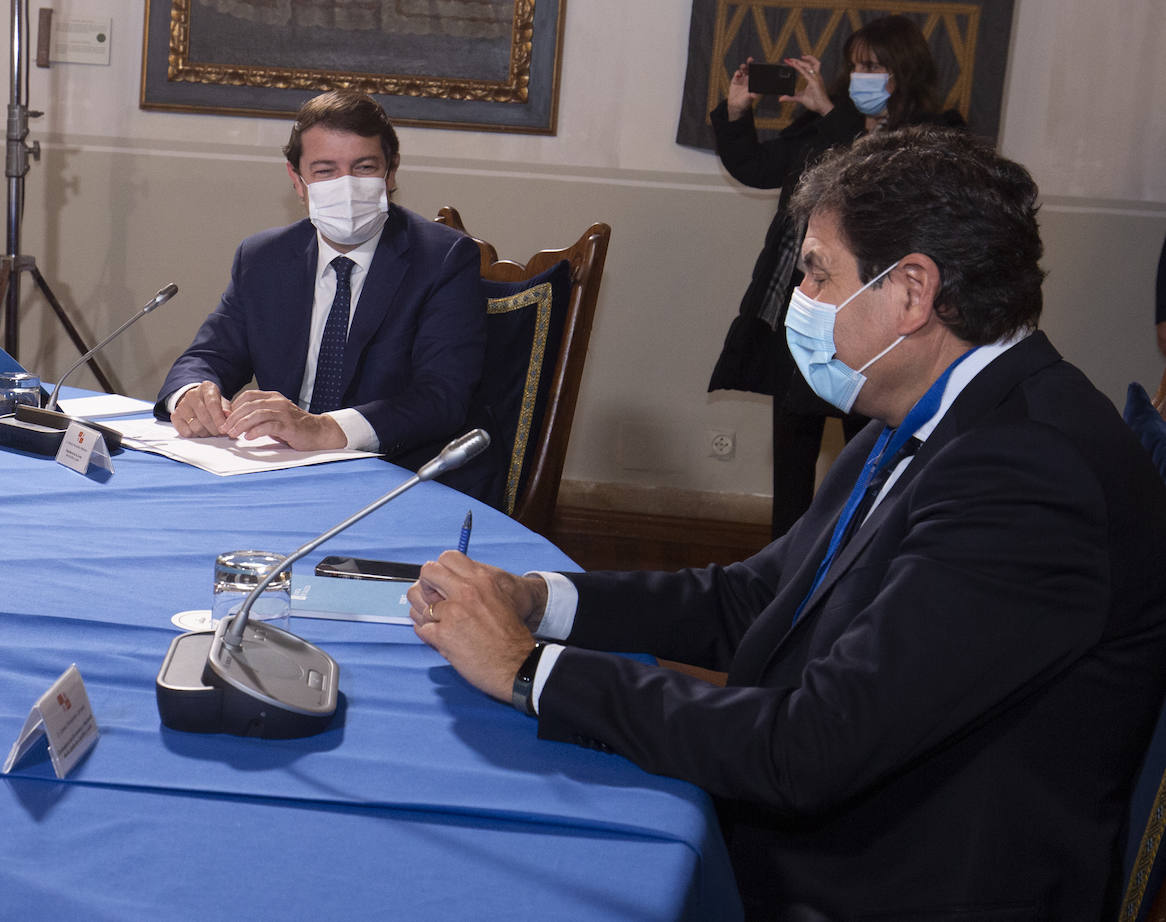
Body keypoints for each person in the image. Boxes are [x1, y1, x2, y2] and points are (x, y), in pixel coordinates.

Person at [406, 127, 1166, 919]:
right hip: (838, 833)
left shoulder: (1030, 478)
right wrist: (544, 601)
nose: (799, 301)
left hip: (884, 882)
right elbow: (752, 602)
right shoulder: (932, 411)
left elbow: (809, 748)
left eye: (816, 272)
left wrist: (528, 669)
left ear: (911, 292)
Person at [708, 15, 964, 538]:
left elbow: (895, 192)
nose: (859, 76)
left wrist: (831, 113)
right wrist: (737, 112)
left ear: (903, 69)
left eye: (871, 66)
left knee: (866, 453)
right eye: (855, 66)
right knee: (792, 447)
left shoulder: (939, 133)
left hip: (877, 322)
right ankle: (781, 565)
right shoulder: (831, 124)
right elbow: (758, 166)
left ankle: (853, 558)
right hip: (804, 305)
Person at [157, 89, 487, 480]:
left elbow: (440, 397)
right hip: (276, 468)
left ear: (391, 171)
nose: (345, 187)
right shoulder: (263, 257)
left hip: (392, 472)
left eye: (364, 168)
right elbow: (208, 357)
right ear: (297, 180)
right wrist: (193, 393)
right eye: (325, 171)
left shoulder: (444, 259)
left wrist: (326, 429)